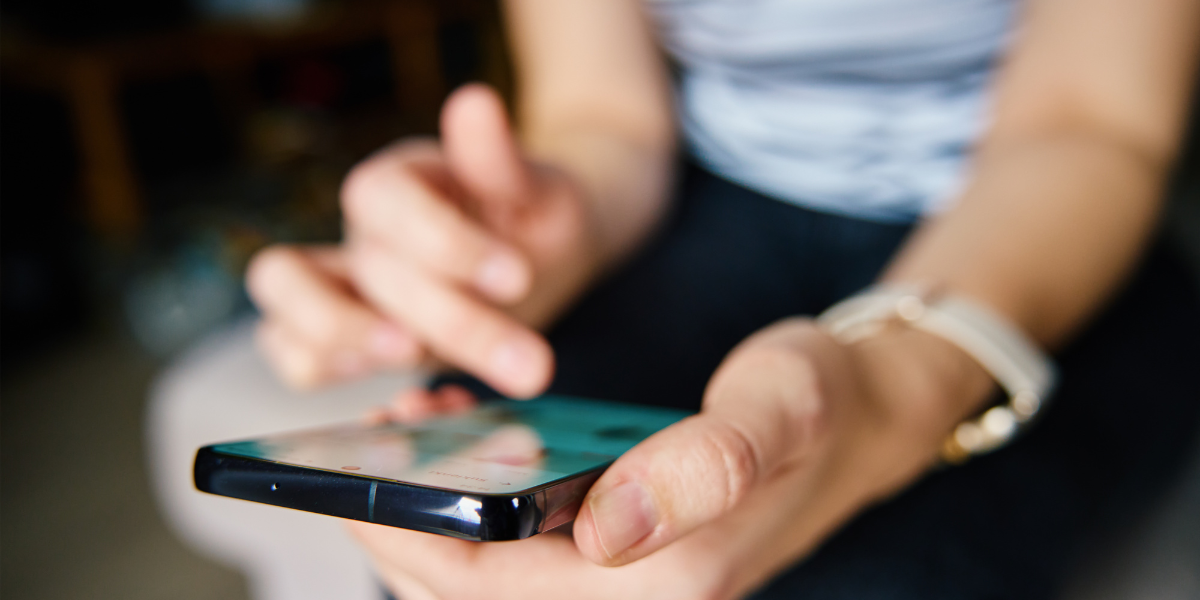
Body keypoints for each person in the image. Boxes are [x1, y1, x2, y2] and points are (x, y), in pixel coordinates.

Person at [244, 0, 1200, 598]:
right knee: (473, 518)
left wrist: (902, 381)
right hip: (710, 199)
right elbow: (602, 112)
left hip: (1045, 226)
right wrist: (518, 237)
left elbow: (1091, 126)